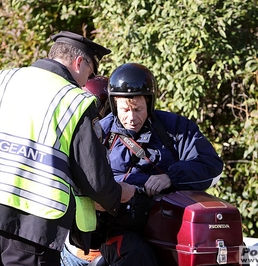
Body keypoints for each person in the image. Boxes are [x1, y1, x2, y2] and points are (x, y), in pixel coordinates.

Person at [0, 31, 136, 266]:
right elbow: (93, 177)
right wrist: (119, 194)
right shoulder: (75, 101)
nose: (86, 82)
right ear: (79, 63)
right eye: (89, 74)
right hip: (32, 230)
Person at [95, 62, 224, 265]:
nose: (131, 117)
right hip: (119, 227)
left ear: (149, 102)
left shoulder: (175, 128)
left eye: (138, 109)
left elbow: (211, 166)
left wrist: (171, 177)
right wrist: (119, 189)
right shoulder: (100, 134)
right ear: (113, 105)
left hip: (170, 224)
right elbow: (84, 179)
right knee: (138, 257)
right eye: (124, 110)